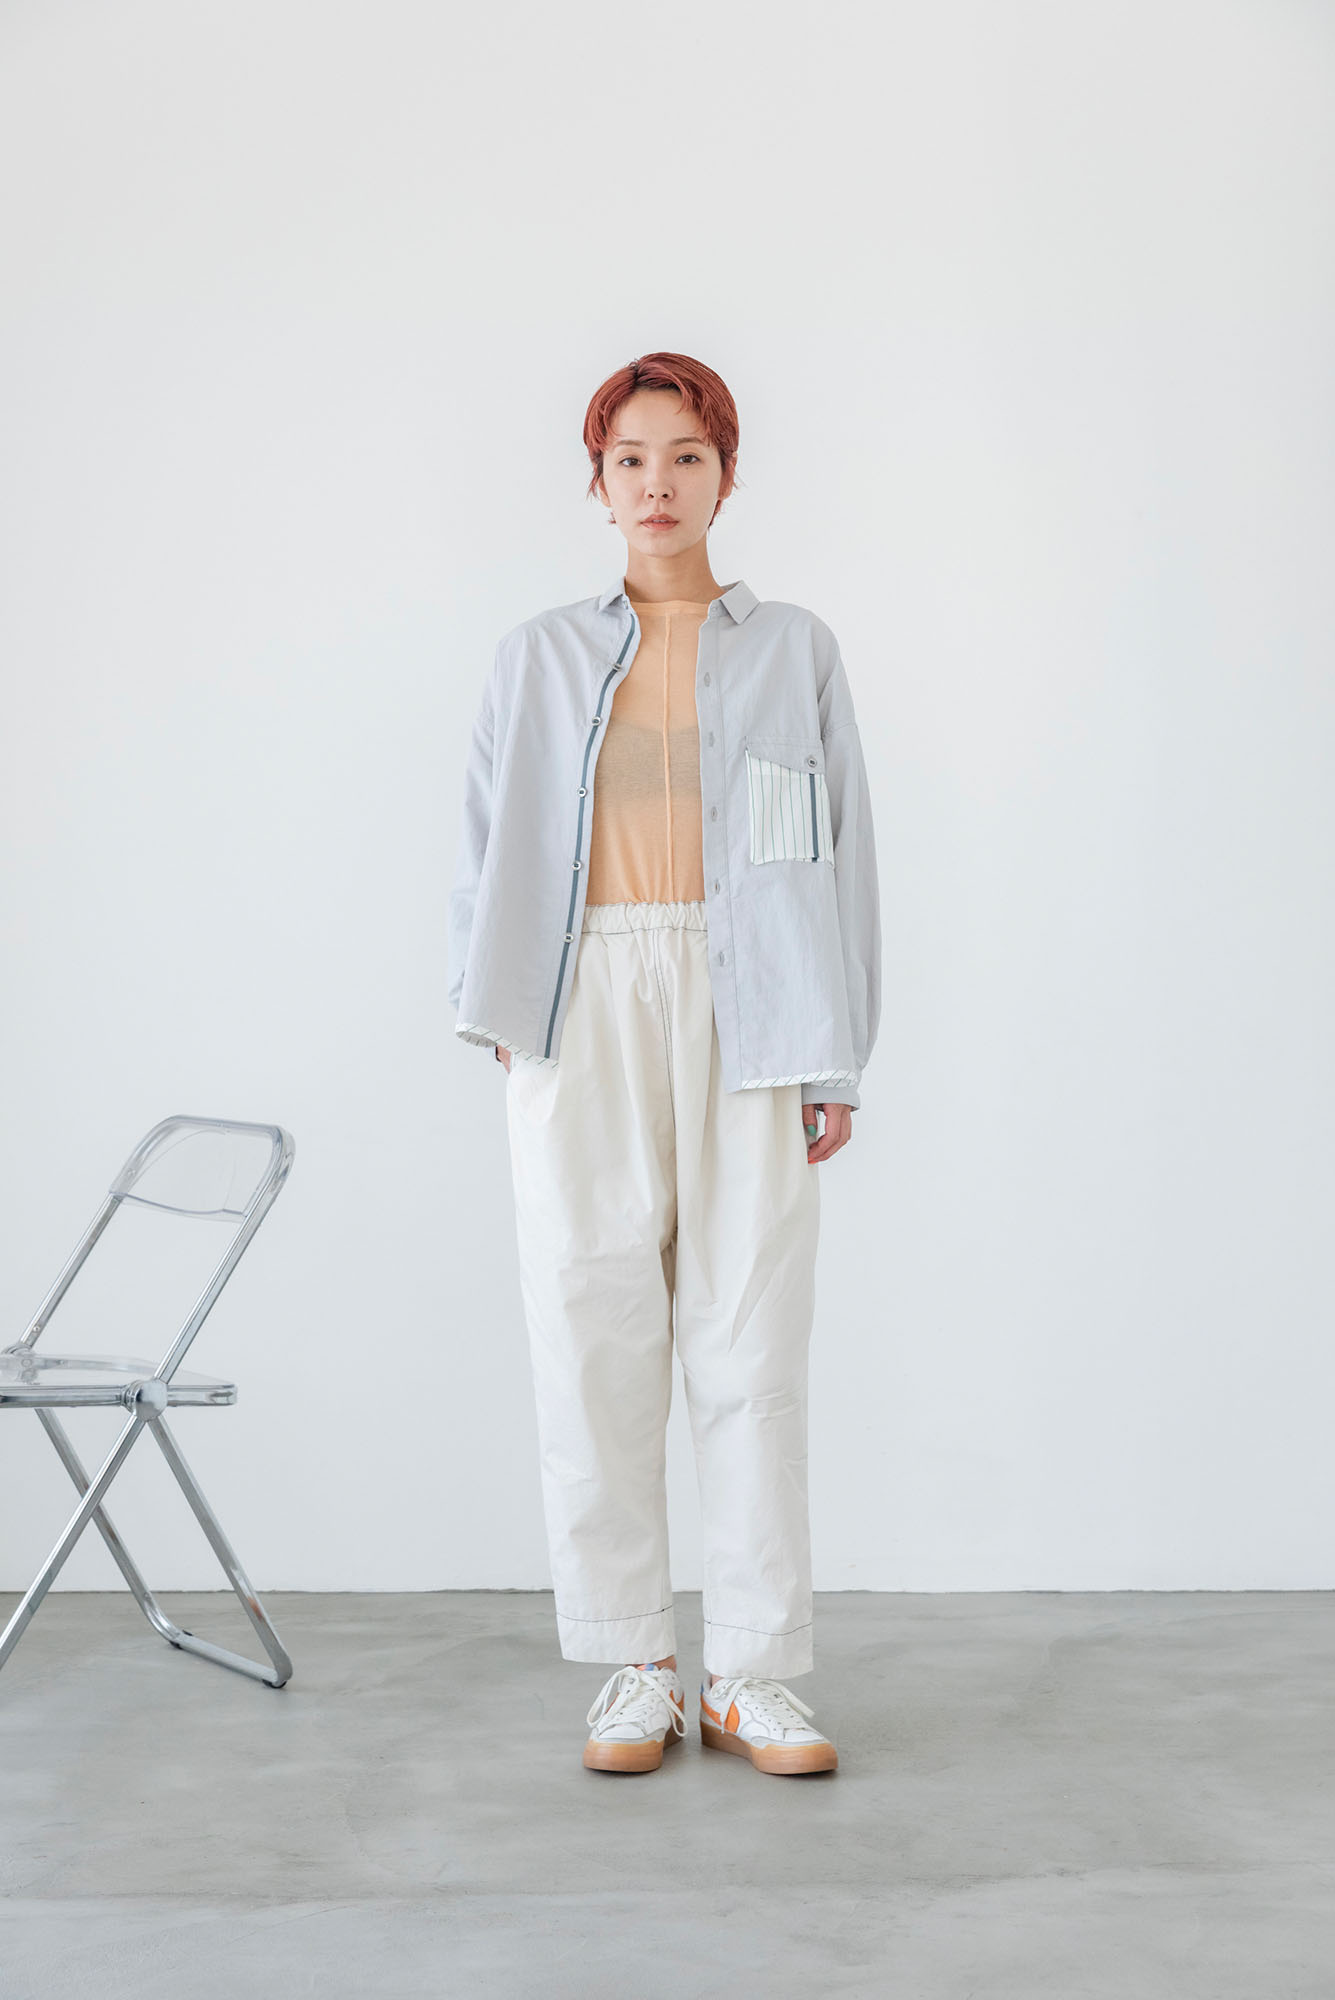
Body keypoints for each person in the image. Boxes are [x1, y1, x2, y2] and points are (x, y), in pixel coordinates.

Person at [447, 351, 881, 1777]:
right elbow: (483, 848)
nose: (657, 483)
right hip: (579, 1002)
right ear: (597, 482)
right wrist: (498, 1008)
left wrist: (836, 1056)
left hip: (755, 1003)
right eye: (630, 458)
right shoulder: (536, 657)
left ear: (726, 476)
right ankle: (635, 1665)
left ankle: (750, 1674)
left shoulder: (795, 648)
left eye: (686, 456)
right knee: (592, 1324)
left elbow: (840, 856)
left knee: (751, 1337)